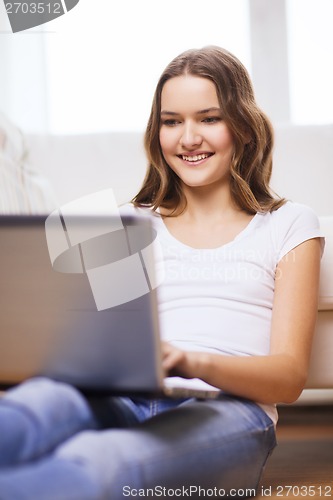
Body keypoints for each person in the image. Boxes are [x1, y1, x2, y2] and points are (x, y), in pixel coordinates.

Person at [0, 46, 324, 499]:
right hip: (124, 397)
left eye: (209, 118)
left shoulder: (289, 223)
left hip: (229, 412)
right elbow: (106, 345)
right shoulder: (127, 220)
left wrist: (192, 361)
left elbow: (289, 379)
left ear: (244, 127)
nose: (187, 138)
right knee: (35, 408)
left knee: (102, 463)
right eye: (172, 122)